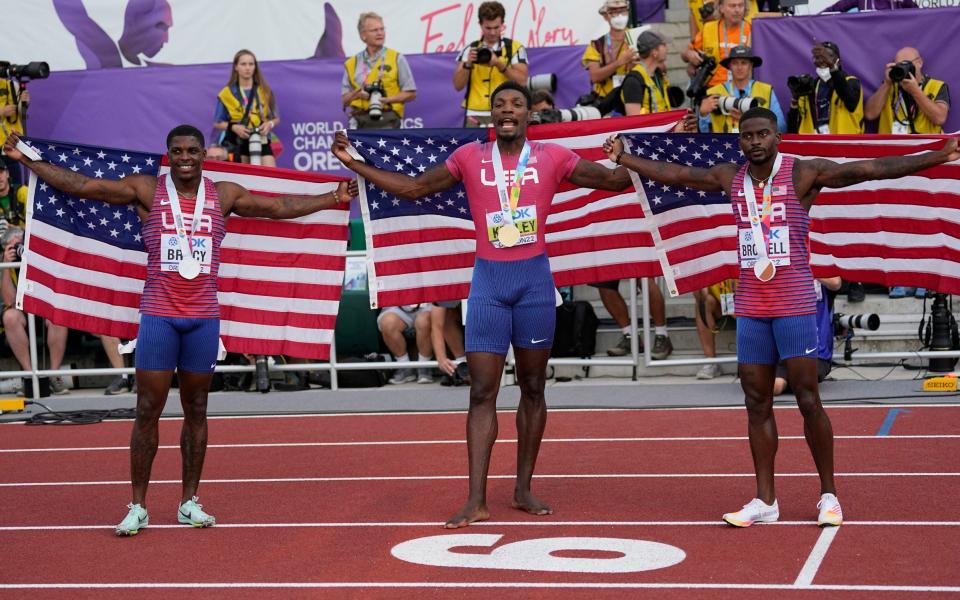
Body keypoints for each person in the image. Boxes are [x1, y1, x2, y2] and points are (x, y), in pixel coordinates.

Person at [604, 107, 959, 527]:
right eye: (747, 136)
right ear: (740, 141)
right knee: (756, 403)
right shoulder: (728, 177)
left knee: (809, 399)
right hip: (753, 306)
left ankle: (829, 495)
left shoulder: (803, 174)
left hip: (793, 303)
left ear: (778, 138)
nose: (755, 142)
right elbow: (676, 174)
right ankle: (765, 500)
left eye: (762, 134)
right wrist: (624, 158)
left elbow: (869, 169)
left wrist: (938, 155)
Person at [3, 125, 356, 536]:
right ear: (167, 154)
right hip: (158, 317)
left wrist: (333, 197)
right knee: (147, 411)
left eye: (192, 150)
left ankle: (189, 501)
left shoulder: (223, 195)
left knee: (198, 410)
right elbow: (85, 185)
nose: (185, 157)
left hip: (203, 319)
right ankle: (137, 504)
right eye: (177, 151)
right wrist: (30, 161)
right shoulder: (147, 190)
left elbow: (276, 206)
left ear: (203, 154)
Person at [332, 81, 639, 528]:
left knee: (533, 388)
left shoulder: (553, 157)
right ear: (490, 115)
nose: (508, 110)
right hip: (489, 286)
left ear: (530, 114)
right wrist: (354, 165)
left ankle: (523, 489)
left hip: (534, 284)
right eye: (500, 105)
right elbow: (415, 188)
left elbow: (613, 181)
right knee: (481, 392)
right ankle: (476, 499)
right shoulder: (469, 158)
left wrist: (656, 147)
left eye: (517, 104)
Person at [1, 226, 70, 394]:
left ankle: (54, 375)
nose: (18, 250)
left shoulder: (41, 252)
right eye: (13, 247)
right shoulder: (4, 262)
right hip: (21, 308)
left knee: (58, 316)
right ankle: (28, 375)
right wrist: (6, 267)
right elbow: (9, 300)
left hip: (44, 304)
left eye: (20, 244)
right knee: (9, 317)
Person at [453, 1, 529, 128]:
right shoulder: (470, 49)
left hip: (507, 112)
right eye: (488, 28)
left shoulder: (515, 47)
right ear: (480, 24)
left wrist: (499, 64)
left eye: (496, 27)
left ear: (502, 25)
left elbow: (523, 81)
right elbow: (457, 86)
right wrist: (468, 64)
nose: (493, 32)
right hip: (475, 114)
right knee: (474, 149)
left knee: (508, 148)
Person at [341, 12, 417, 130]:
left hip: (388, 121)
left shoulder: (397, 58)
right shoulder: (352, 63)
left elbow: (411, 94)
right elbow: (344, 100)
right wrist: (357, 94)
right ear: (363, 35)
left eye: (382, 29)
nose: (380, 33)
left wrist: (387, 100)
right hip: (359, 122)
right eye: (374, 30)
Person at [774, 277, 841, 395]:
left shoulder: (820, 267)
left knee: (800, 384)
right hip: (785, 350)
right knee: (776, 386)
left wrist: (805, 268)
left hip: (817, 353)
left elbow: (836, 283)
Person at [213, 50, 280, 167]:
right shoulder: (227, 93)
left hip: (261, 139)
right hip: (238, 141)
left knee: (270, 178)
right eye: (243, 64)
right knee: (244, 181)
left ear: (255, 67)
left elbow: (275, 118)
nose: (247, 68)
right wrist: (234, 127)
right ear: (236, 67)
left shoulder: (264, 90)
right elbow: (217, 123)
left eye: (251, 64)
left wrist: (269, 124)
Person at [698, 45, 786, 133]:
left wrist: (749, 121)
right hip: (722, 145)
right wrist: (703, 114)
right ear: (729, 66)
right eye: (735, 63)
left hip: (757, 145)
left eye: (744, 63)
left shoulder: (766, 90)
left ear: (751, 65)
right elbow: (704, 135)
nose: (739, 67)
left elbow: (781, 128)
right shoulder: (713, 92)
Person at [787, 41, 863, 135]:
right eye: (819, 57)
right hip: (814, 144)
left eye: (829, 56)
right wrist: (794, 100)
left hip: (842, 143)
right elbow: (793, 128)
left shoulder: (851, 82)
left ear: (838, 60)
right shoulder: (811, 87)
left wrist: (832, 68)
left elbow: (850, 102)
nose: (824, 60)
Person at [683, 0, 750, 88]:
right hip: (713, 89)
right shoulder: (709, 29)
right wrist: (690, 55)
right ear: (721, 8)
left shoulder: (753, 29)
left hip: (743, 89)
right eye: (732, 6)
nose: (737, 10)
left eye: (740, 5)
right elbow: (685, 54)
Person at [581, 0, 640, 100]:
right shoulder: (597, 44)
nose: (620, 15)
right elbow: (594, 77)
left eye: (623, 11)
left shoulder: (638, 37)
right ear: (605, 16)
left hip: (634, 97)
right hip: (607, 100)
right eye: (614, 12)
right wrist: (619, 62)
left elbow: (659, 66)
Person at [378, 303, 435, 384]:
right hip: (397, 306)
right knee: (387, 323)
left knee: (424, 321)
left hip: (427, 305)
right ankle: (404, 366)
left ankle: (424, 366)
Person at [692, 279, 735, 379]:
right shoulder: (705, 264)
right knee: (703, 302)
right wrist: (700, 293)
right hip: (724, 306)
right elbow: (702, 295)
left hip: (748, 303)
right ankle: (710, 362)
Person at [0, 78, 28, 186]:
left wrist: (24, 104)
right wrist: (2, 111)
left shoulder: (12, 85)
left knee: (16, 186)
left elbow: (21, 114)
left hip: (10, 144)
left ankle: (16, 203)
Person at [0, 161, 27, 233]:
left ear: (7, 174)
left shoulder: (22, 192)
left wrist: (20, 229)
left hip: (24, 238)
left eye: (1, 172)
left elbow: (36, 222)